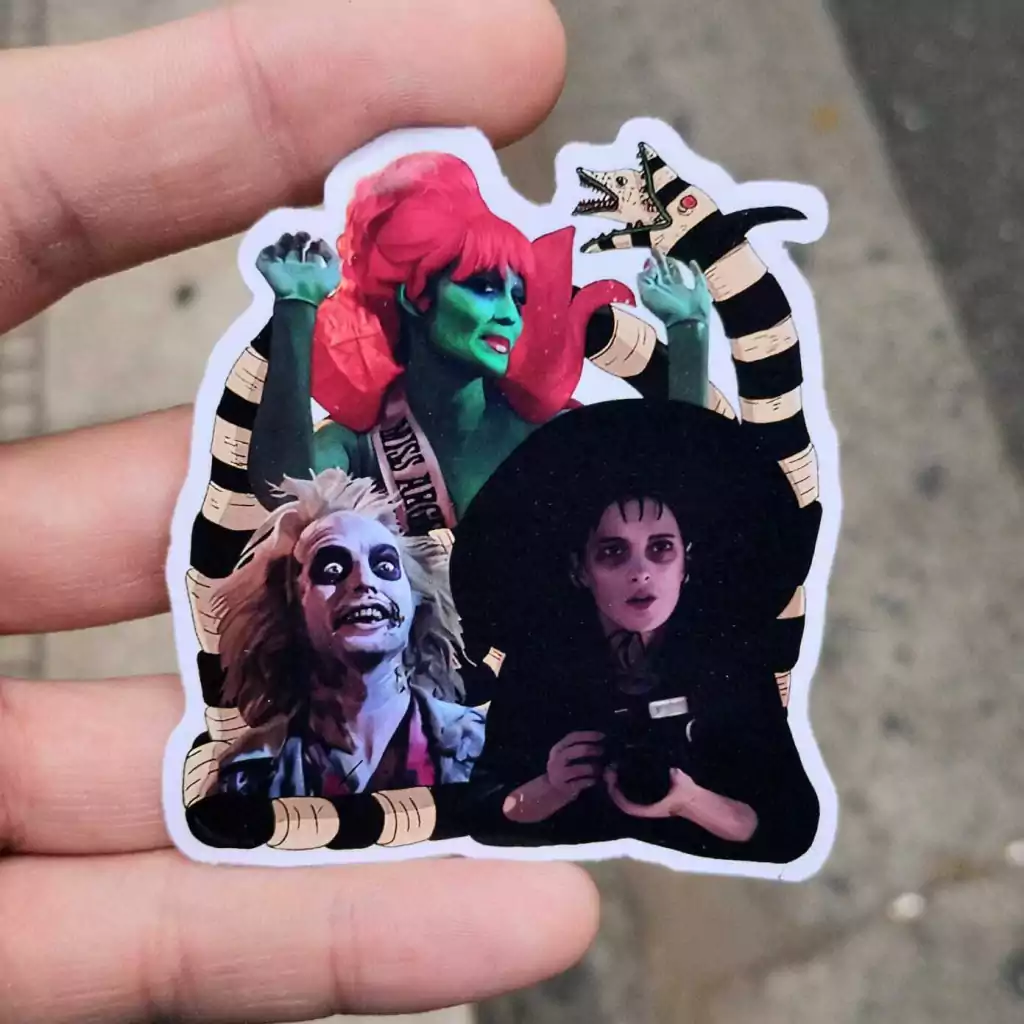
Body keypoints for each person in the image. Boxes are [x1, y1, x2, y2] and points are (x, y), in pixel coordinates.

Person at [0, 1, 604, 1019]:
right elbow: (278, 492)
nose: (505, 311)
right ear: (415, 296)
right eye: (478, 287)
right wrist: (292, 315)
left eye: (514, 291)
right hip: (385, 725)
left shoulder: (545, 434)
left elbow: (664, 502)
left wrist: (686, 341)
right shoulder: (362, 444)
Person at [451, 399, 822, 864]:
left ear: (686, 562)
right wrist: (551, 787)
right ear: (580, 570)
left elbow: (791, 826)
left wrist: (690, 801)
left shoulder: (729, 664)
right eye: (613, 552)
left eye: (661, 549)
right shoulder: (540, 668)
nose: (641, 572)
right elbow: (484, 813)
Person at [189, 469, 484, 804]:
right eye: (332, 569)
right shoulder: (249, 777)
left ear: (417, 600)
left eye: (385, 566)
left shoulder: (486, 745)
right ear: (291, 607)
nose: (364, 582)